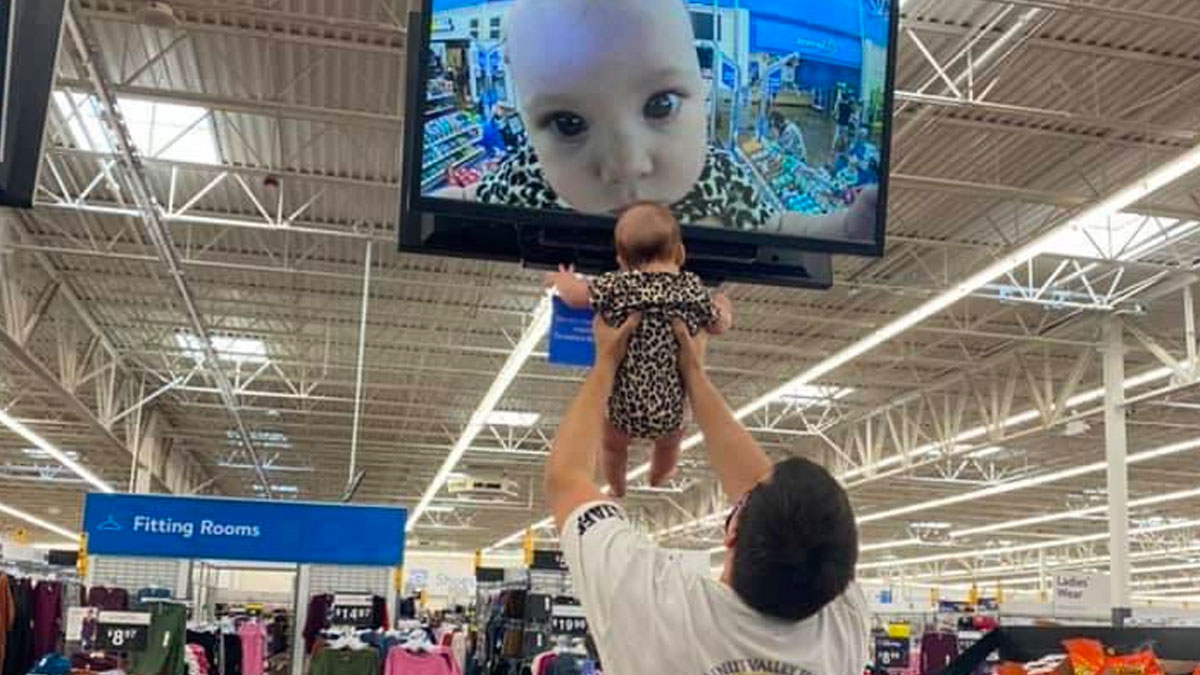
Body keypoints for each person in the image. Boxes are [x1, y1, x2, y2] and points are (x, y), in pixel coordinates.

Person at [544, 312, 868, 675]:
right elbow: (781, 509)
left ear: (732, 531)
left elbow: (567, 479)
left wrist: (606, 362)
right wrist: (694, 376)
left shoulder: (656, 602)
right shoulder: (843, 627)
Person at [431, 0, 876, 242]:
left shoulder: (716, 174)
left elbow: (776, 226)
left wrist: (842, 228)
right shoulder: (531, 175)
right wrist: (432, 203)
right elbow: (471, 197)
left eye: (660, 105)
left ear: (701, 98)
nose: (627, 163)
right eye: (568, 123)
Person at [545, 204, 733, 497]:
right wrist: (723, 306)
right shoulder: (692, 289)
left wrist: (562, 280)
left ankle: (617, 485)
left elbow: (575, 297)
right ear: (680, 253)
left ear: (621, 260)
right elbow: (718, 325)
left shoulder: (617, 285)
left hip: (622, 408)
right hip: (670, 410)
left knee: (612, 446)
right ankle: (659, 476)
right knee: (670, 446)